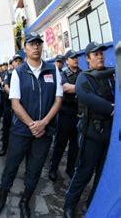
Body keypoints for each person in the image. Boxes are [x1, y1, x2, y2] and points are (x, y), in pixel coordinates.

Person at [0, 32, 62, 218]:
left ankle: (25, 201)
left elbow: (58, 99)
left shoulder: (53, 70)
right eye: (32, 44)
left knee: (35, 169)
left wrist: (44, 123)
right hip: (21, 130)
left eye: (39, 43)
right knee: (11, 166)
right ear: (25, 48)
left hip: (44, 131)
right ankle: (2, 198)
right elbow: (15, 103)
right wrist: (32, 124)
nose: (36, 46)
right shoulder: (18, 73)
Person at [64, 42, 115, 218]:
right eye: (95, 54)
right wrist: (112, 108)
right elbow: (86, 95)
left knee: (102, 174)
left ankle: (91, 203)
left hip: (110, 133)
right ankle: (69, 204)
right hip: (91, 132)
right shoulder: (84, 77)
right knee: (84, 172)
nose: (100, 56)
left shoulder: (111, 74)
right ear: (87, 59)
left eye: (101, 53)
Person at [49, 50, 81, 182]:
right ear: (67, 61)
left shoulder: (83, 73)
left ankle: (70, 168)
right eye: (72, 58)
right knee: (60, 144)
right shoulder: (62, 74)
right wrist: (85, 88)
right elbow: (66, 88)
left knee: (75, 145)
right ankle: (53, 168)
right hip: (65, 114)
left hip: (78, 113)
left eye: (76, 57)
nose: (75, 60)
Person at [0, 54, 23, 157]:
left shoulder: (25, 73)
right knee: (7, 127)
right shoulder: (8, 74)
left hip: (22, 106)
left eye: (19, 61)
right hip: (9, 105)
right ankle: (5, 147)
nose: (18, 63)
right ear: (12, 64)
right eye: (15, 61)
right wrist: (15, 95)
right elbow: (6, 87)